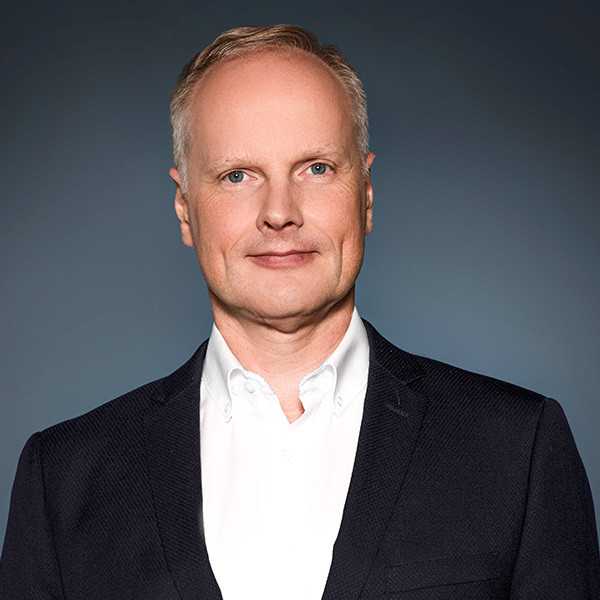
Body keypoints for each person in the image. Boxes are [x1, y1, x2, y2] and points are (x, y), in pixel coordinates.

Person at [1, 24, 599, 600]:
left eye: (316, 168)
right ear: (185, 207)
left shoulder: (517, 448)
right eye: (238, 175)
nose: (280, 212)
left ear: (365, 195)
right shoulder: (64, 478)